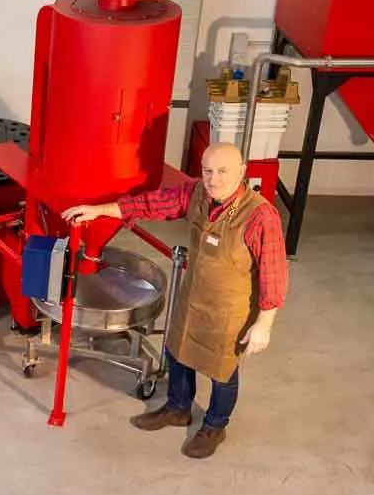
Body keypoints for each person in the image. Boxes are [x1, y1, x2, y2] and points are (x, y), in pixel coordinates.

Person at [62, 141, 288, 459]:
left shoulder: (260, 216)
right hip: (193, 295)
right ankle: (178, 407)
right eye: (208, 171)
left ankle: (215, 426)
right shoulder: (197, 193)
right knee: (177, 350)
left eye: (223, 171)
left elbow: (273, 272)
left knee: (222, 369)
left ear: (242, 172)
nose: (214, 179)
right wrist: (101, 210)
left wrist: (264, 323)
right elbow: (151, 204)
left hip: (229, 310)